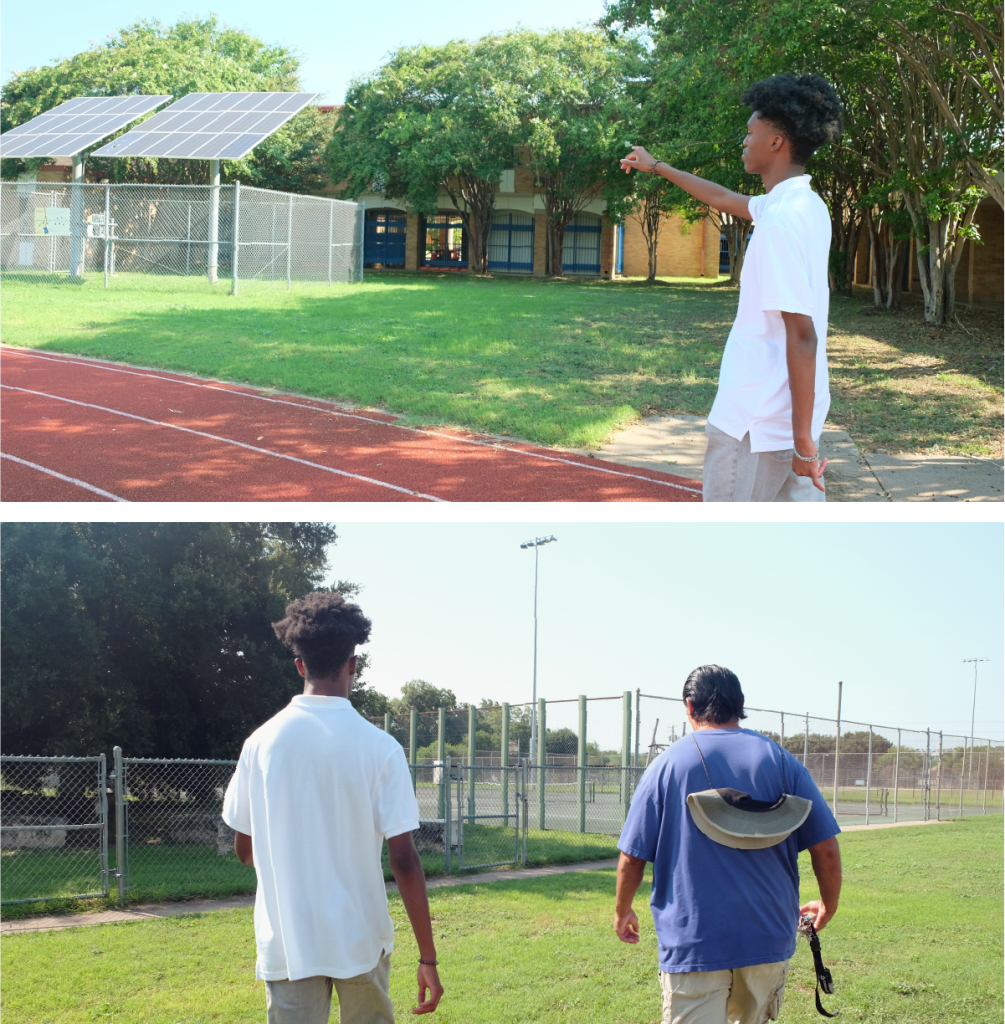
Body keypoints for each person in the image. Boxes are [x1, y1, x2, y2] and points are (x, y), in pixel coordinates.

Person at [222, 591, 443, 1024]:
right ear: (353, 664)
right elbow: (404, 859)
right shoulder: (381, 748)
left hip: (288, 944)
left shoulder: (260, 744)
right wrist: (428, 959)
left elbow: (246, 851)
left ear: (300, 665)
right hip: (361, 940)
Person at [620, 74, 844, 502]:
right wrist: (658, 167)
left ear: (776, 142)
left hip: (754, 424)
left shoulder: (780, 221)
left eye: (750, 132)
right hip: (785, 422)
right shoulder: (804, 204)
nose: (744, 142)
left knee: (725, 548)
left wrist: (804, 446)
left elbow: (803, 334)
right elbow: (723, 198)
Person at [613, 665, 842, 1024]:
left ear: (689, 707)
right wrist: (829, 903)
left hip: (694, 941)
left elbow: (632, 858)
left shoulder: (666, 765)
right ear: (741, 705)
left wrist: (622, 909)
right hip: (767, 936)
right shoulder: (783, 762)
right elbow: (826, 848)